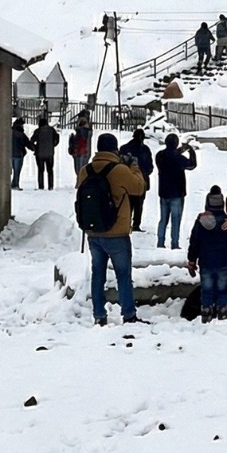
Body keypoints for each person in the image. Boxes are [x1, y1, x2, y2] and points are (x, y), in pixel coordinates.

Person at [77, 134, 146, 326]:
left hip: (93, 232)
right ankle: (128, 314)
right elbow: (139, 188)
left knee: (97, 274)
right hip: (117, 233)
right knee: (123, 275)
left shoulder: (86, 170)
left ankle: (99, 315)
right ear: (115, 150)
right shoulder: (120, 170)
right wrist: (134, 166)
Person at [186, 186, 227, 322]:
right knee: (222, 288)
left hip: (205, 262)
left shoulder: (200, 222)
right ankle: (222, 310)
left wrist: (192, 260)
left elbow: (194, 242)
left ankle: (206, 310)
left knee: (206, 288)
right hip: (223, 262)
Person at [154, 133, 197, 249]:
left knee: (163, 220)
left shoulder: (159, 156)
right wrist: (191, 151)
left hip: (163, 192)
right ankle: (174, 244)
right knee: (176, 220)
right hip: (177, 193)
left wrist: (180, 150)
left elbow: (171, 155)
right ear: (176, 143)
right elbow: (192, 165)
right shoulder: (179, 158)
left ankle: (160, 242)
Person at [120, 128, 154, 230]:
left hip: (127, 179)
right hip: (141, 180)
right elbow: (150, 166)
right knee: (139, 203)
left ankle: (126, 222)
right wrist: (144, 173)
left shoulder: (124, 148)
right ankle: (136, 224)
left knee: (127, 202)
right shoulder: (145, 149)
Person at [31, 116, 59, 190]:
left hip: (39, 154)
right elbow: (56, 139)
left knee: (40, 170)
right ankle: (50, 186)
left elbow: (32, 140)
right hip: (50, 153)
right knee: (50, 170)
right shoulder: (52, 130)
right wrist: (53, 145)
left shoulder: (37, 131)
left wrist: (35, 148)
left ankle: (41, 186)